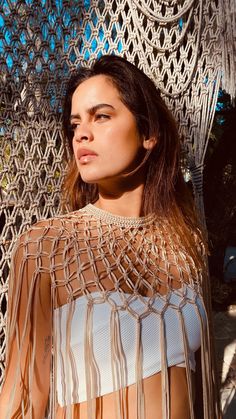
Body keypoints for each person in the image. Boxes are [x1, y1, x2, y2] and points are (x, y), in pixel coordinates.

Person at [0, 55, 220, 419]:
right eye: (74, 124)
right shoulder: (47, 246)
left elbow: (199, 382)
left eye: (101, 116)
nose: (81, 134)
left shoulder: (186, 243)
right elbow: (22, 396)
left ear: (149, 133)